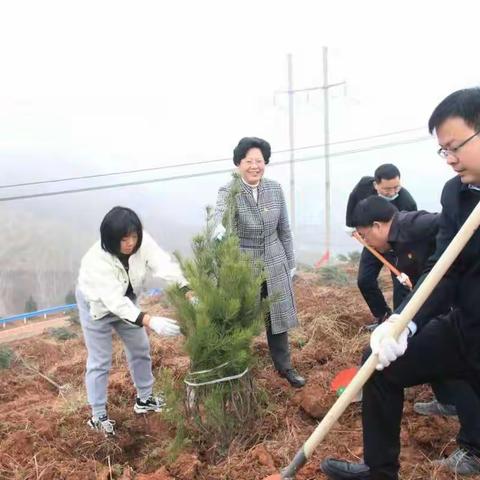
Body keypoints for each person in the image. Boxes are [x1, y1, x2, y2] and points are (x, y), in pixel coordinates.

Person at [321, 87, 480, 478]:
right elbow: (446, 269)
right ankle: (380, 470)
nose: (451, 159)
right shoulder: (457, 195)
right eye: (444, 150)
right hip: (466, 324)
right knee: (378, 367)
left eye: (455, 145)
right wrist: (403, 322)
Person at [76, 206, 187, 436]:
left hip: (127, 300)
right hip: (97, 306)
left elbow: (162, 264)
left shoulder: (143, 244)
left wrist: (187, 288)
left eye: (134, 236)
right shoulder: (96, 261)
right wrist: (150, 320)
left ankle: (145, 399)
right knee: (100, 360)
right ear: (110, 239)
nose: (130, 243)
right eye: (124, 238)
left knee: (140, 348)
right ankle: (98, 415)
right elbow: (114, 302)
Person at [214, 137, 305, 388]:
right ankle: (240, 370)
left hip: (275, 259)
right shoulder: (229, 190)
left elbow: (284, 228)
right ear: (238, 164)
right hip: (245, 262)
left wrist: (290, 260)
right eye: (249, 161)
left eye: (259, 161)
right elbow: (219, 216)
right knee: (242, 318)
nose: (255, 166)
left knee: (277, 316)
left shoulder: (274, 189)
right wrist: (217, 229)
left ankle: (285, 366)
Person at [345, 164, 417, 327]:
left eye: (396, 187)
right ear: (376, 184)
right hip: (371, 242)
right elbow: (353, 197)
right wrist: (350, 223)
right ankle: (383, 317)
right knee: (365, 280)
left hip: (397, 246)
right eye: (387, 189)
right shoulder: (364, 185)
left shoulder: (407, 202)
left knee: (401, 283)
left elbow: (410, 231)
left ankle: (399, 324)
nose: (392, 192)